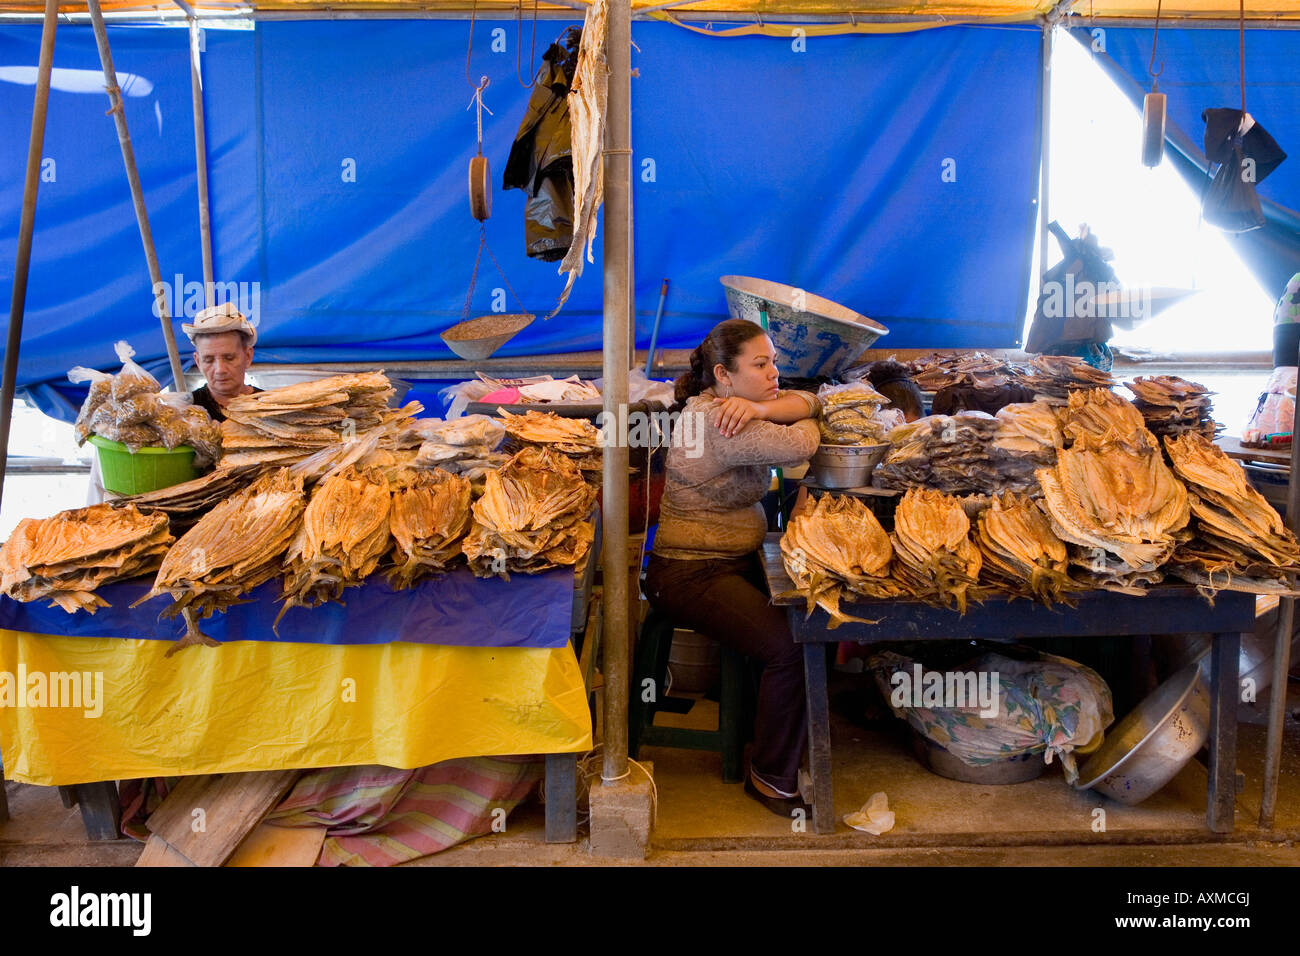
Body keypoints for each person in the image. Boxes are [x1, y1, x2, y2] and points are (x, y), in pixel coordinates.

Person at [644, 318, 821, 816]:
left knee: (806, 622)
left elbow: (807, 403)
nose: (774, 372)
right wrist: (789, 413)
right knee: (790, 649)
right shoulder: (714, 422)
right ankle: (770, 780)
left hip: (726, 563)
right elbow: (803, 442)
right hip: (689, 572)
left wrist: (768, 405)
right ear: (723, 374)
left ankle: (758, 739)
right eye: (760, 365)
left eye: (775, 362)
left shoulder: (738, 411)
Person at [182, 302, 261, 422]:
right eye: (208, 360)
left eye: (229, 358)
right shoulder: (184, 413)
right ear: (198, 362)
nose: (220, 370)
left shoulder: (273, 409)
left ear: (248, 356)